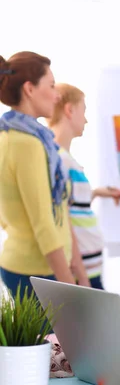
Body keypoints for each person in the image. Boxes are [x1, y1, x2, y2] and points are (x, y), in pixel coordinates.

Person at [0, 52, 78, 297]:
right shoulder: (28, 144)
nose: (56, 95)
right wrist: (71, 290)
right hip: (40, 271)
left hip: (25, 265)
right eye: (52, 85)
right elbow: (44, 225)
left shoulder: (8, 136)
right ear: (29, 89)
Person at [49, 83, 120, 290]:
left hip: (89, 267)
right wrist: (80, 273)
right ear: (69, 110)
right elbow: (63, 219)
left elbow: (72, 204)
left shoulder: (66, 158)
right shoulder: (59, 160)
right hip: (81, 272)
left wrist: (97, 193)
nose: (85, 119)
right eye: (83, 110)